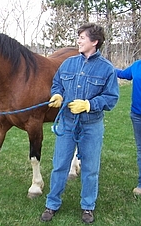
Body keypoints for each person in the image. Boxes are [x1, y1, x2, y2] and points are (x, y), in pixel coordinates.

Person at [40, 23, 119, 224]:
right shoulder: (68, 64)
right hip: (67, 123)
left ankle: (88, 207)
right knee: (59, 165)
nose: (78, 41)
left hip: (91, 126)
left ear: (94, 42)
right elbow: (57, 83)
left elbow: (111, 98)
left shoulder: (107, 69)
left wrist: (89, 105)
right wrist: (57, 94)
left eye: (82, 37)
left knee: (90, 168)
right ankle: (52, 203)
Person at [115, 60, 141, 195]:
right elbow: (123, 74)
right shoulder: (137, 65)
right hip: (137, 114)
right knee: (140, 149)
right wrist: (106, 67)